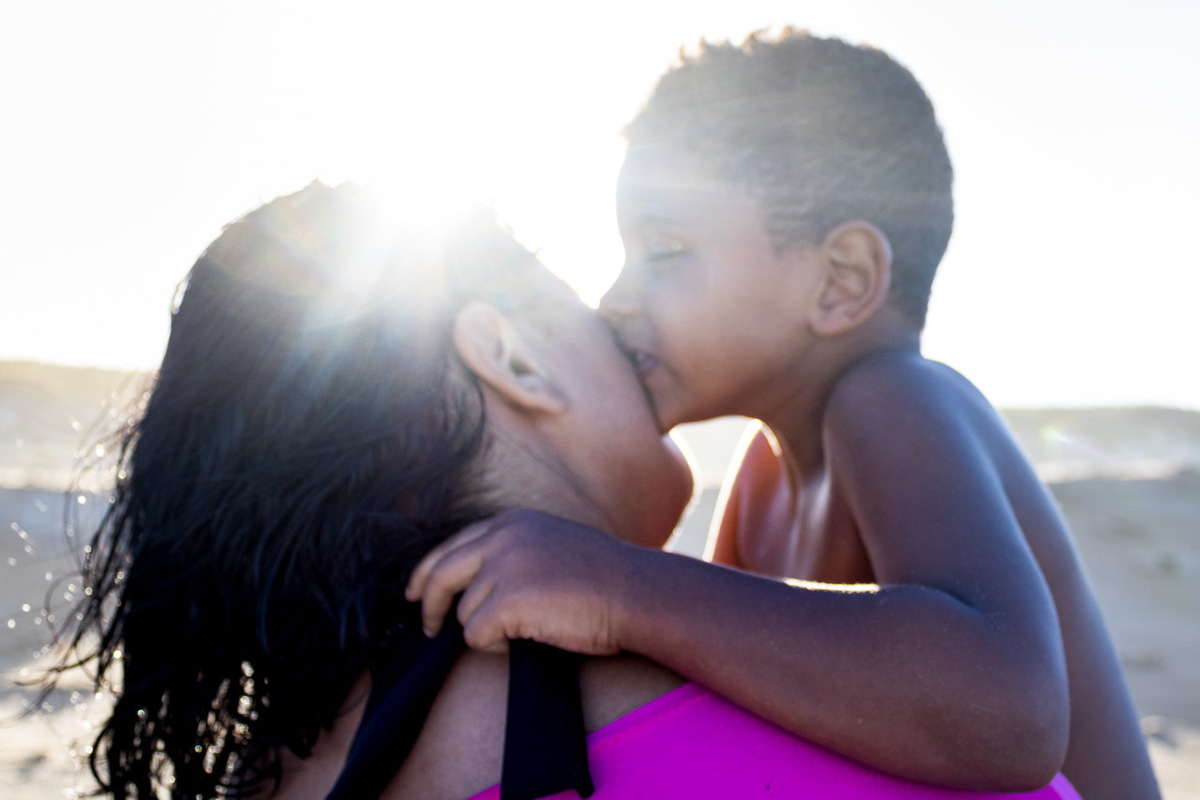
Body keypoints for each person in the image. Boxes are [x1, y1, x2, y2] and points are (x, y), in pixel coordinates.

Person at [48, 183, 1079, 800]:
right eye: (584, 302)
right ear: (513, 359)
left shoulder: (278, 766)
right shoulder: (808, 689)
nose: (629, 323)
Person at [406, 31, 1160, 800]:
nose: (617, 298)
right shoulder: (761, 474)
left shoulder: (894, 399)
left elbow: (1011, 711)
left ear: (840, 281)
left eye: (664, 252)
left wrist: (620, 588)